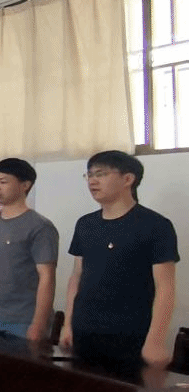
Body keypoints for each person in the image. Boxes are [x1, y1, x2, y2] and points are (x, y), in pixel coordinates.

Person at [62, 151, 178, 376]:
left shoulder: (156, 225)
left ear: (128, 179)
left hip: (131, 335)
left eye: (101, 174)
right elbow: (77, 276)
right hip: (84, 331)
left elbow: (166, 287)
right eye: (89, 175)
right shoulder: (85, 224)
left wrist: (156, 340)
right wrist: (68, 324)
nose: (93, 181)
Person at [0, 158, 59, 340]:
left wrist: (38, 324)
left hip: (23, 321)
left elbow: (47, 277)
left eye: (3, 182)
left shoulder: (40, 226)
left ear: (25, 185)